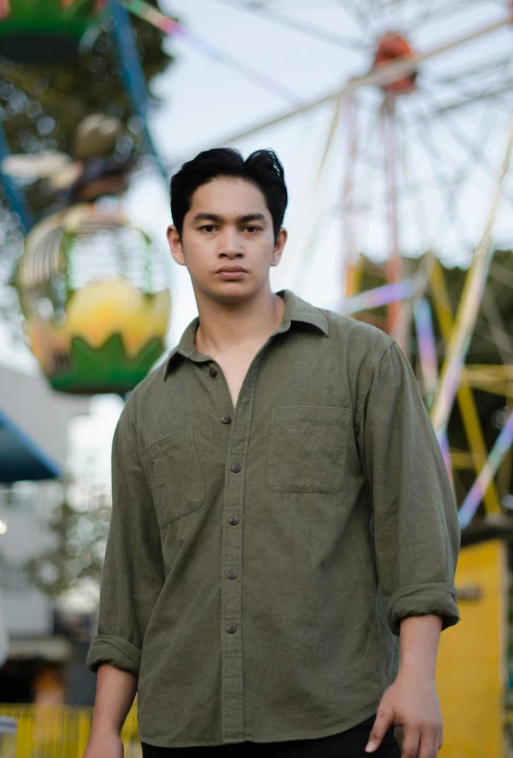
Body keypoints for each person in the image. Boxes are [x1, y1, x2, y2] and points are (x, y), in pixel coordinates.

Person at [83, 147, 460, 758]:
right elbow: (130, 582)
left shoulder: (363, 361)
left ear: (277, 243)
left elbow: (416, 526)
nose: (230, 245)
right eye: (209, 228)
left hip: (341, 717)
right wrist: (104, 731)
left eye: (249, 228)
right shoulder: (146, 410)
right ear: (178, 243)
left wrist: (417, 676)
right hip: (182, 727)